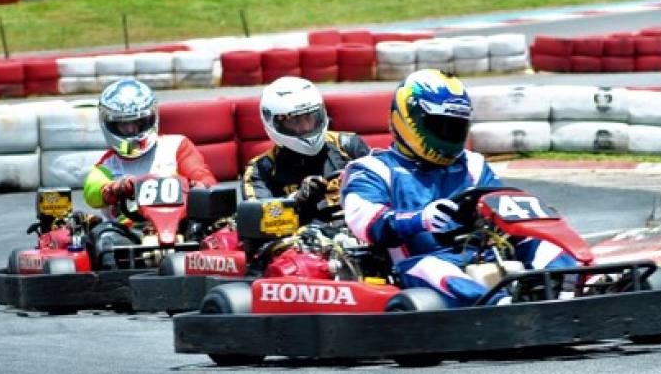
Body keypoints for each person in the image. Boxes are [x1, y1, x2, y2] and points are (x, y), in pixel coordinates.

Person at [341, 69, 576, 307]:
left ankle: (569, 289)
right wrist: (420, 219)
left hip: (480, 254)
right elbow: (367, 223)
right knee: (432, 268)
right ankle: (500, 306)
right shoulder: (372, 169)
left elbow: (502, 204)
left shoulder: (473, 164)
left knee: (539, 241)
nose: (450, 135)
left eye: (456, 127)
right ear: (408, 120)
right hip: (416, 265)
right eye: (441, 126)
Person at [82, 79, 217, 264]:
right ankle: (116, 288)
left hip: (182, 227)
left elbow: (203, 177)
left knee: (215, 230)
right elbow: (92, 191)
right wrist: (116, 188)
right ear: (110, 125)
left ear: (150, 118)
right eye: (123, 125)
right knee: (104, 237)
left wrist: (198, 185)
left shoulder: (177, 146)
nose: (131, 130)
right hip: (131, 235)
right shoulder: (107, 166)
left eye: (137, 123)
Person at [243, 76, 370, 223]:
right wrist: (296, 200)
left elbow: (386, 187)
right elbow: (258, 219)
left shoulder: (349, 145)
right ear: (273, 123)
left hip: (357, 232)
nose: (305, 127)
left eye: (310, 118)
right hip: (306, 240)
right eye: (295, 121)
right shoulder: (260, 169)